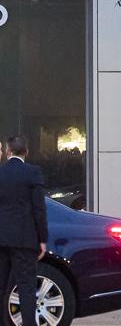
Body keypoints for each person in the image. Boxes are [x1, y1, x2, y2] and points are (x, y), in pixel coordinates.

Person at [0, 135, 48, 326]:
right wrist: (42, 238)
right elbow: (39, 209)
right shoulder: (33, 173)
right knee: (26, 288)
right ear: (26, 152)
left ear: (8, 151)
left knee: (1, 288)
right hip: (25, 240)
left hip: (1, 239)